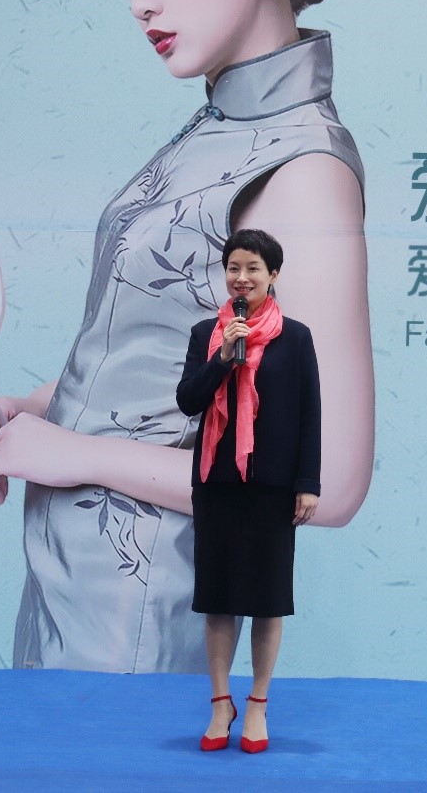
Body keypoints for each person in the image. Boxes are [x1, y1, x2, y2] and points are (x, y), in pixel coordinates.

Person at [0, 0, 372, 674]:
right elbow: (160, 359)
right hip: (67, 593)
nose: (140, 2)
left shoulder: (303, 169)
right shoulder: (215, 131)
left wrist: (79, 454)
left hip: (137, 626)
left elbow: (331, 483)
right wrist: (36, 406)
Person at [176, 229, 315, 753]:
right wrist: (222, 357)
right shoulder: (206, 334)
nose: (242, 277)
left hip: (272, 487)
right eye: (233, 267)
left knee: (266, 601)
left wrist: (307, 484)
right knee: (217, 599)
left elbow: (310, 415)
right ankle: (220, 703)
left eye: (253, 268)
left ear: (272, 275)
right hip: (217, 485)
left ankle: (257, 704)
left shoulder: (295, 338)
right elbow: (188, 401)